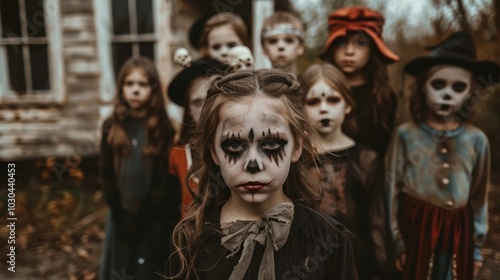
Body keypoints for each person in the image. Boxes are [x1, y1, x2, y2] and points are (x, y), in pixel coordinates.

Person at [168, 69, 357, 279]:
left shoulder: (328, 237)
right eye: (234, 145)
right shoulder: (191, 239)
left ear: (297, 147)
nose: (253, 164)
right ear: (213, 151)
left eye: (272, 143)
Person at [386, 32, 499, 280]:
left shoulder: (477, 140)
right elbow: (392, 187)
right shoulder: (405, 135)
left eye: (458, 87)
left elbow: (479, 197)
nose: (447, 94)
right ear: (423, 86)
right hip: (416, 227)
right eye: (439, 84)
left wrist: (476, 250)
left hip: (458, 230)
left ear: (471, 91)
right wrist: (397, 241)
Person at [302, 63, 389, 279]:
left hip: (353, 264)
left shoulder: (366, 159)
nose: (324, 108)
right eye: (313, 101)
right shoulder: (293, 157)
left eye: (333, 99)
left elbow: (376, 222)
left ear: (348, 105)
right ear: (300, 108)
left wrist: (380, 269)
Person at [99, 57, 180, 279]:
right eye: (129, 83)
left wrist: (142, 219)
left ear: (153, 89)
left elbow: (162, 180)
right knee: (120, 264)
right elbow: (107, 176)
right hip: (120, 215)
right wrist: (120, 214)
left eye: (142, 84)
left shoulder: (163, 129)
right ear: (121, 87)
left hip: (148, 217)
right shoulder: (111, 127)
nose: (135, 90)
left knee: (144, 266)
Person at [318, 6, 399, 155]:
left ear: (373, 49)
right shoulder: (317, 93)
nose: (349, 51)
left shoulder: (384, 96)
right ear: (332, 48)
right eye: (342, 43)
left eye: (360, 43)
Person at [167, 58, 228, 217]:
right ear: (187, 109)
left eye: (211, 99)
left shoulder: (239, 149)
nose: (205, 109)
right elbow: (171, 209)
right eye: (197, 102)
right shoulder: (178, 155)